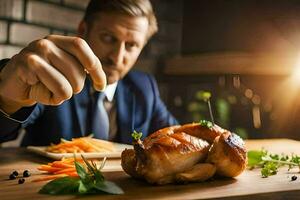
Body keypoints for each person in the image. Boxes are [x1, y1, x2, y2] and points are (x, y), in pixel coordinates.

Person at [0, 0, 178, 146]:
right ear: (83, 30)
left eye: (131, 45)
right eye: (108, 38)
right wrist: (6, 101)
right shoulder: (51, 76)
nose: (117, 57)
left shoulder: (144, 87)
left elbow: (176, 136)